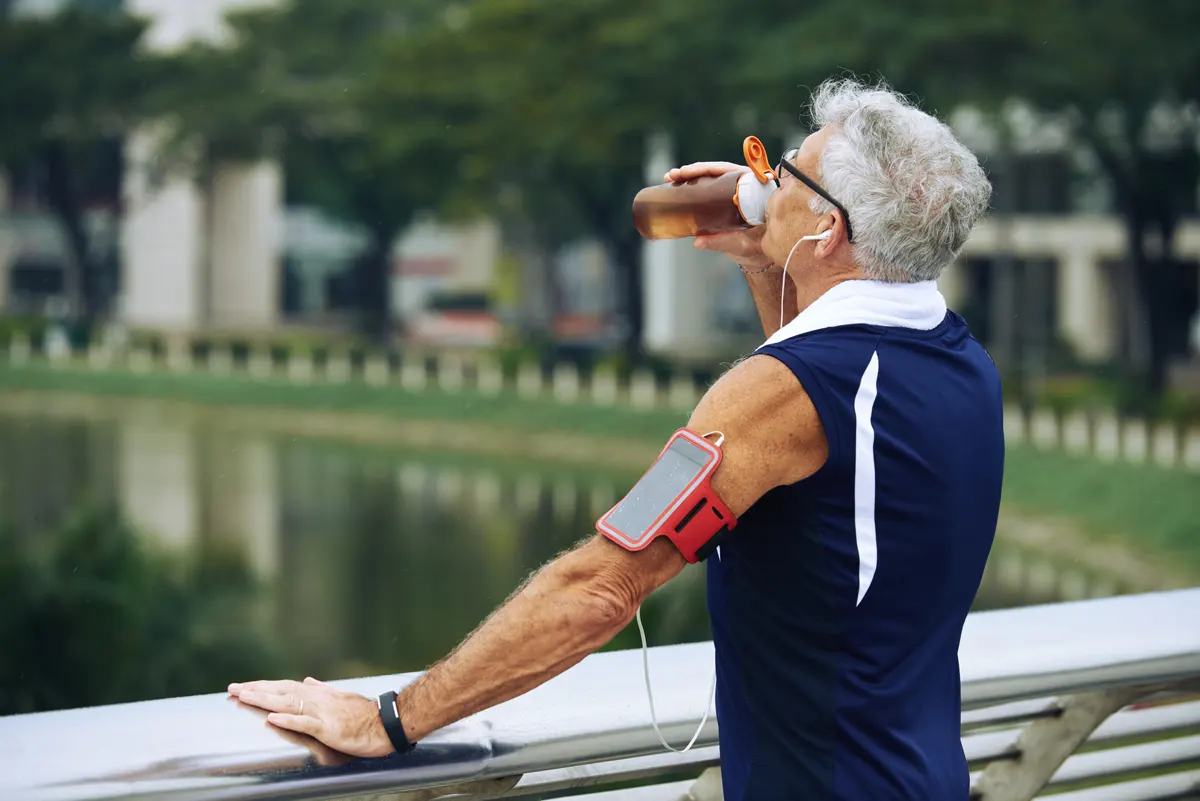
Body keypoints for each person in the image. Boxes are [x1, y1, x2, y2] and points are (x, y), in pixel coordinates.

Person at [230, 77, 1003, 800]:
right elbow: (828, 452)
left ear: (829, 226)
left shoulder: (785, 390)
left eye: (788, 174)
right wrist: (769, 267)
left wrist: (390, 718)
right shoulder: (960, 362)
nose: (764, 187)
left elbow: (601, 585)